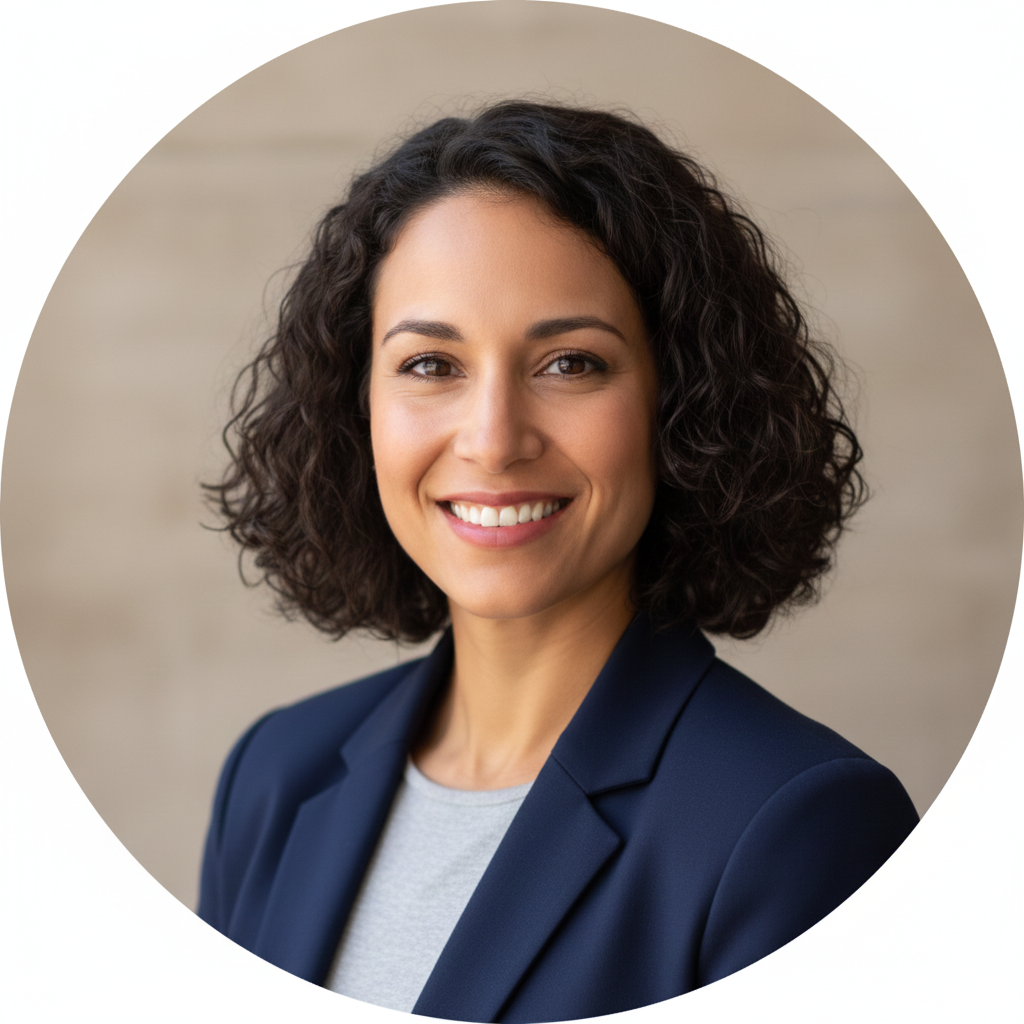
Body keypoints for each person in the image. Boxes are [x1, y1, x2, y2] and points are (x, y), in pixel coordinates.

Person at [198, 100, 918, 1021]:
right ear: (358, 407)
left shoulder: (800, 825)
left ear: (681, 403)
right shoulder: (273, 775)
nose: (493, 441)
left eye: (571, 363)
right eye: (430, 365)